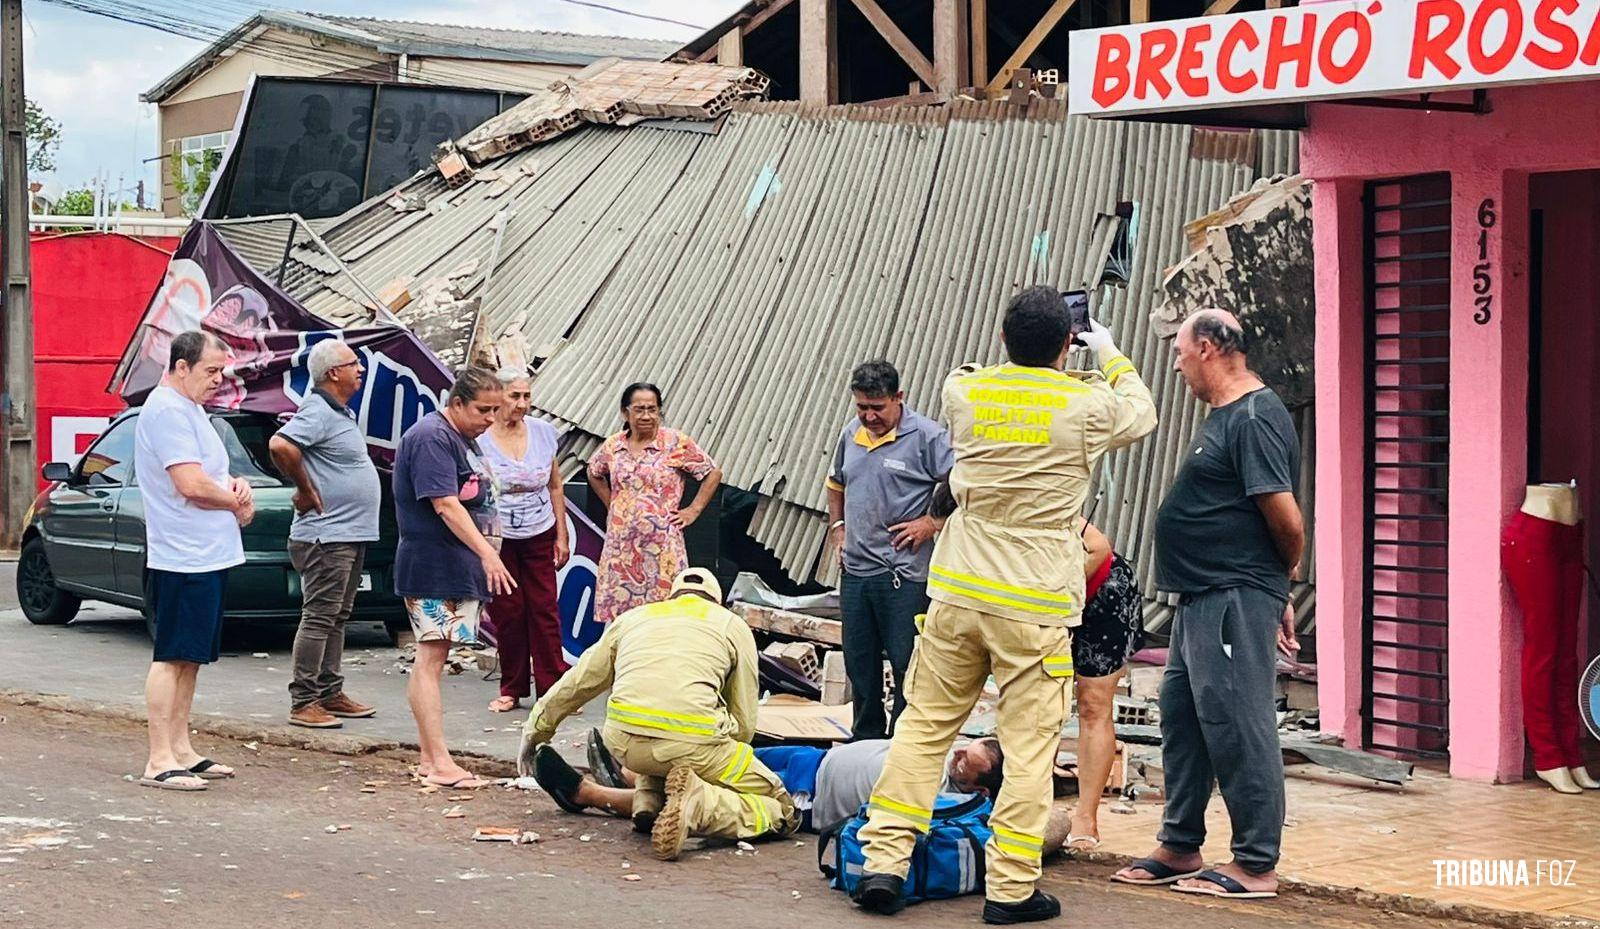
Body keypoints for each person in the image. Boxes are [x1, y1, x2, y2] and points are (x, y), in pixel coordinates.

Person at [852, 286, 1156, 924]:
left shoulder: (966, 393)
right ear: (1068, 344)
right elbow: (1142, 411)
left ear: (1002, 339)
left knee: (923, 729)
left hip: (957, 592)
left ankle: (883, 864)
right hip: (1033, 604)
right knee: (1026, 751)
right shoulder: (1085, 405)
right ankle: (1011, 891)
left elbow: (971, 379)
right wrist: (1107, 354)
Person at [1111, 309, 1302, 901]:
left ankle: (1255, 864)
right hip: (1202, 597)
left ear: (1213, 348)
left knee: (1237, 722)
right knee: (1184, 720)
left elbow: (1287, 520)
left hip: (1232, 594)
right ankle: (1179, 843)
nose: (1175, 360)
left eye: (1181, 349)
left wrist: (1278, 583)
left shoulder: (1254, 417)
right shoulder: (1224, 416)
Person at [519, 568, 796, 861]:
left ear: (671, 596)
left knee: (662, 749)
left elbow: (579, 682)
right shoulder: (732, 625)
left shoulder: (634, 618)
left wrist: (535, 729)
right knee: (785, 811)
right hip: (695, 744)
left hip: (624, 742)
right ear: (718, 602)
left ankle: (648, 804)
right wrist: (721, 764)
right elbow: (743, 720)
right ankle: (700, 807)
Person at [929, 483, 1143, 853]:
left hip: (1099, 592)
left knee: (1093, 704)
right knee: (1033, 701)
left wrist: (1057, 599)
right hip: (1036, 608)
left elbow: (1098, 547)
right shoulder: (964, 538)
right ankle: (1025, 803)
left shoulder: (1029, 505)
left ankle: (1085, 817)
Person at [133, 330, 255, 791]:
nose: (218, 380)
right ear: (180, 367)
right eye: (210, 371)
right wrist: (235, 503)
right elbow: (189, 483)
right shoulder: (166, 410)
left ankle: (181, 748)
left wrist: (236, 487)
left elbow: (210, 474)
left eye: (221, 371)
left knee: (191, 658)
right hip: (182, 554)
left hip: (206, 552)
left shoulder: (192, 411)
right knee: (171, 656)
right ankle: (158, 758)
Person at [393, 367, 516, 789]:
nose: (490, 419)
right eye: (484, 410)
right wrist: (488, 555)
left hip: (451, 566)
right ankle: (439, 761)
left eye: (495, 410)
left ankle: (432, 759)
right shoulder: (432, 437)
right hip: (434, 566)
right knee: (430, 659)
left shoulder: (461, 439)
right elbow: (445, 504)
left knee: (436, 658)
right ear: (457, 403)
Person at [826, 360, 953, 740]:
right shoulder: (851, 434)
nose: (869, 416)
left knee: (905, 665)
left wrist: (931, 523)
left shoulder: (928, 437)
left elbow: (965, 485)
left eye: (877, 407)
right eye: (862, 407)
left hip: (904, 575)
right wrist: (838, 528)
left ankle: (901, 743)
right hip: (856, 572)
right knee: (859, 664)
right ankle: (864, 739)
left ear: (899, 397)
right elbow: (835, 484)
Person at [534, 734, 1007, 836]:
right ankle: (634, 776)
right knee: (716, 761)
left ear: (978, 788)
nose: (958, 754)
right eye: (964, 747)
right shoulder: (948, 747)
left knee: (701, 797)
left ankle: (587, 794)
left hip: (803, 798)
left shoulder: (951, 803)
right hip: (814, 759)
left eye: (967, 761)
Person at [268, 338, 381, 729]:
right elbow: (281, 445)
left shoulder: (339, 413)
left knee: (337, 616)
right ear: (334, 373)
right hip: (325, 535)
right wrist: (303, 487)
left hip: (347, 532)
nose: (360, 370)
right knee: (319, 617)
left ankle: (329, 691)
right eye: (354, 364)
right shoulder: (317, 410)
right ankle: (303, 702)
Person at [587, 383, 721, 624]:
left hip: (662, 548)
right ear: (625, 412)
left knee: (664, 617)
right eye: (639, 409)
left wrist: (693, 510)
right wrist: (613, 504)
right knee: (621, 621)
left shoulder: (675, 442)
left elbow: (712, 473)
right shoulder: (614, 445)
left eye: (652, 409)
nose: (646, 416)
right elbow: (594, 471)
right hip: (621, 549)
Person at [479, 369, 571, 713]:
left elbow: (555, 486)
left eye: (526, 396)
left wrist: (561, 534)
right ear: (498, 396)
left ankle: (553, 688)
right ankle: (512, 687)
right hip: (498, 536)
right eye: (514, 396)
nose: (521, 404)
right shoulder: (481, 436)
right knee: (509, 611)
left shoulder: (544, 433)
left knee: (545, 608)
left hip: (539, 528)